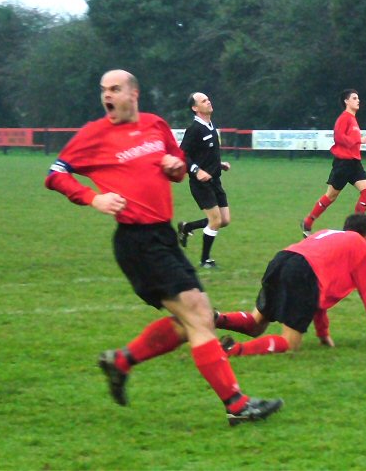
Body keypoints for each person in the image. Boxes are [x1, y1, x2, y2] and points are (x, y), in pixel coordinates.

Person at [44, 69, 282, 425]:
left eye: (115, 89)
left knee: (192, 320)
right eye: (103, 90)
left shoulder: (156, 126)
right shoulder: (94, 134)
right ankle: (237, 405)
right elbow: (55, 174)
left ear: (133, 94)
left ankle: (121, 361)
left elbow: (177, 167)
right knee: (200, 317)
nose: (107, 95)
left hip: (163, 237)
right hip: (136, 241)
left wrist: (175, 166)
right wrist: (93, 198)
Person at [217, 213, 366, 356]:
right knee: (290, 343)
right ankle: (233, 349)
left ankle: (216, 318)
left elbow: (319, 293)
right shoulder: (361, 246)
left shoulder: (328, 234)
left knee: (256, 324)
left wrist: (323, 334)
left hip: (282, 259)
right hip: (301, 270)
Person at [301, 89, 366, 237]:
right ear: (346, 101)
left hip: (355, 163)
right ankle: (308, 222)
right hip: (343, 164)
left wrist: (359, 141)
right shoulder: (344, 118)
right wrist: (360, 140)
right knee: (331, 196)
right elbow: (339, 138)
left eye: (358, 98)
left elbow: (350, 140)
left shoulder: (353, 119)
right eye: (354, 98)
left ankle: (356, 231)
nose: (358, 100)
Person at [177, 92, 231, 268]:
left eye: (208, 99)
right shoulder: (194, 129)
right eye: (203, 101)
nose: (208, 102)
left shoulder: (210, 126)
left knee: (224, 220)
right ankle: (205, 260)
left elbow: (205, 153)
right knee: (215, 220)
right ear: (195, 108)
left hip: (215, 180)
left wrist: (218, 164)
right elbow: (182, 154)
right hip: (200, 184)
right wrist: (196, 170)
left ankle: (187, 227)